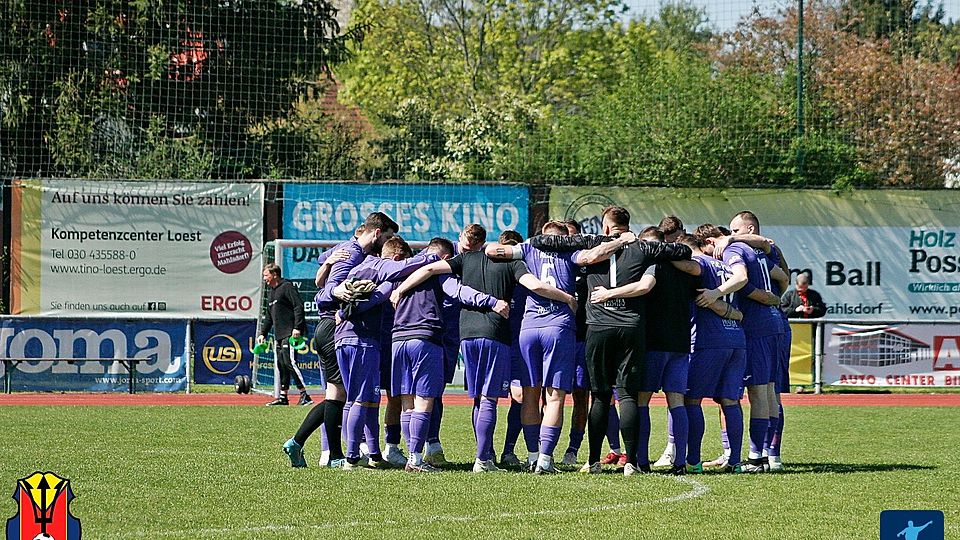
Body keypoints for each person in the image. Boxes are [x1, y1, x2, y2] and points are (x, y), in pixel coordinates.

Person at [392, 223, 577, 473]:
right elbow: (535, 285)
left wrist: (400, 290)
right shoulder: (512, 263)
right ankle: (484, 460)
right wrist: (567, 297)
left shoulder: (463, 260)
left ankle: (475, 453)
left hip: (466, 335)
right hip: (494, 334)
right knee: (490, 398)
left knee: (477, 398)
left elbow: (429, 268)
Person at [528, 205, 692, 476]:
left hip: (599, 326)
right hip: (631, 326)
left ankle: (592, 461)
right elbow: (683, 250)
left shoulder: (593, 244)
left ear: (605, 226)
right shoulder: (644, 247)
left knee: (600, 396)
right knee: (627, 394)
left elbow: (548, 241)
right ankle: (631, 462)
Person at [486, 221, 633, 473]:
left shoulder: (528, 249)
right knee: (555, 397)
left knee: (530, 395)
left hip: (528, 328)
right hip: (559, 327)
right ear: (565, 238)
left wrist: (530, 243)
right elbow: (593, 255)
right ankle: (545, 459)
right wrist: (621, 240)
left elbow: (492, 250)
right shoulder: (569, 252)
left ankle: (532, 456)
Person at [391, 237, 508, 472]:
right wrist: (491, 301)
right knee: (425, 400)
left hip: (397, 339)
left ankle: (411, 457)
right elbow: (459, 292)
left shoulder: (404, 268)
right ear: (445, 258)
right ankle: (415, 458)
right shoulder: (438, 272)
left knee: (407, 401)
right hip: (425, 338)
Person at [258, 263, 311, 407]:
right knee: (281, 365)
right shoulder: (271, 292)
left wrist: (297, 327)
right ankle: (283, 397)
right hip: (279, 335)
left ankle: (305, 395)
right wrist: (263, 333)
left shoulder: (287, 287)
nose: (264, 278)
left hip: (290, 333)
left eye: (266, 275)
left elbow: (298, 306)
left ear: (274, 274)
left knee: (290, 363)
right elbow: (269, 317)